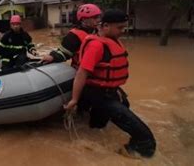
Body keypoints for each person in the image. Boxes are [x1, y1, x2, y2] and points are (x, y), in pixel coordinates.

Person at [64, 9, 156, 158]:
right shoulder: (96, 45)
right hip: (98, 94)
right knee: (145, 139)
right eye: (120, 28)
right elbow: (82, 73)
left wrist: (116, 88)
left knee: (100, 124)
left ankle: (97, 144)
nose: (123, 31)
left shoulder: (111, 40)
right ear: (105, 26)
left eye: (124, 27)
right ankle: (131, 155)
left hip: (109, 90)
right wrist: (74, 99)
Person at [42, 4, 102, 69]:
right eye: (95, 17)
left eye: (99, 17)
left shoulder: (100, 32)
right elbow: (64, 53)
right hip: (82, 72)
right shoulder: (73, 36)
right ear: (84, 19)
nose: (98, 20)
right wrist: (53, 57)